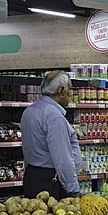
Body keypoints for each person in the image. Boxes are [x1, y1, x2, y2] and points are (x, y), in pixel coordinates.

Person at [21, 71, 82, 199]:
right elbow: (62, 158)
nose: (70, 94)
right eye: (69, 89)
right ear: (61, 91)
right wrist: (74, 189)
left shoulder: (29, 111)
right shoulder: (54, 116)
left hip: (32, 176)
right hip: (50, 182)